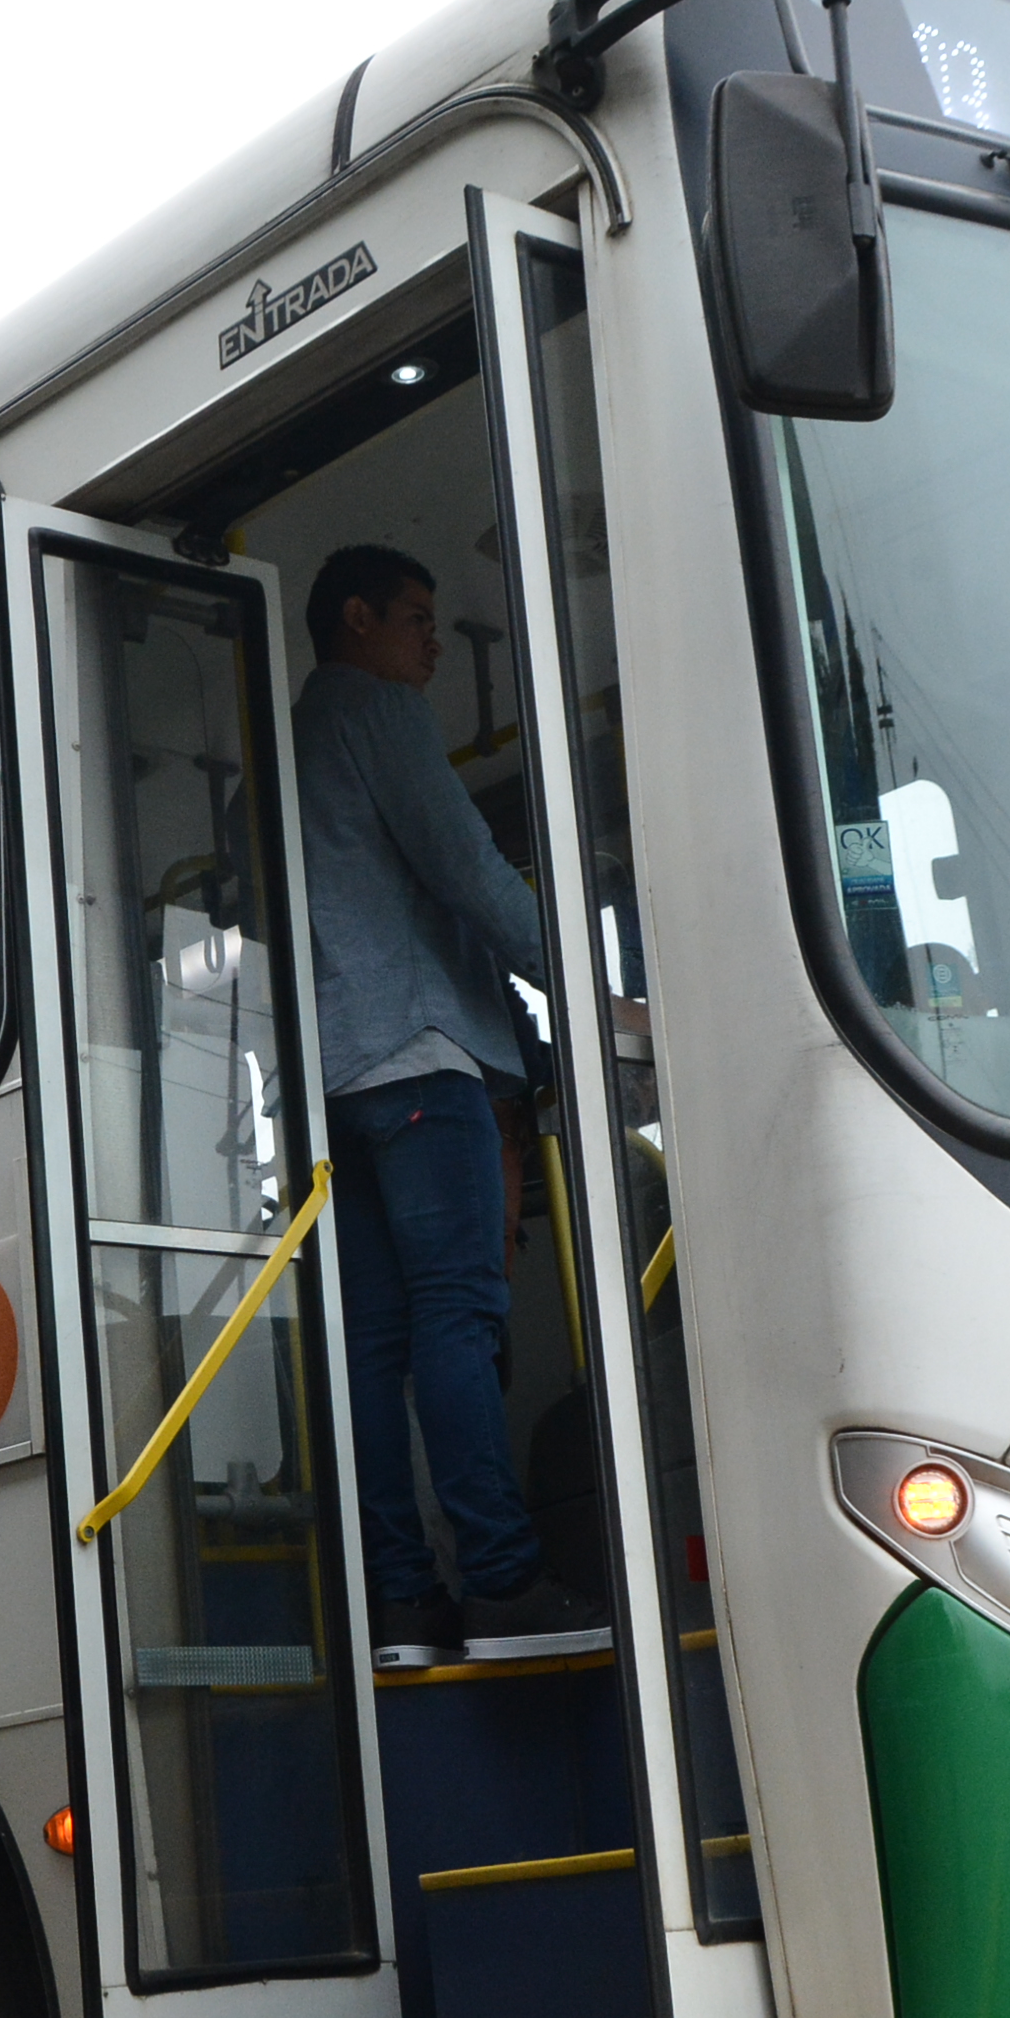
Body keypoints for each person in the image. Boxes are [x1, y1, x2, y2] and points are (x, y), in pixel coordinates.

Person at [288, 542, 609, 1670]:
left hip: (336, 1080)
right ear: (358, 617)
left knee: (373, 1347)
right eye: (417, 619)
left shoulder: (291, 741)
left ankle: (399, 1603)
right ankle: (505, 1583)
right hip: (423, 1063)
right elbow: (467, 868)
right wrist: (591, 990)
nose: (431, 641)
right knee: (459, 1323)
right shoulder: (375, 712)